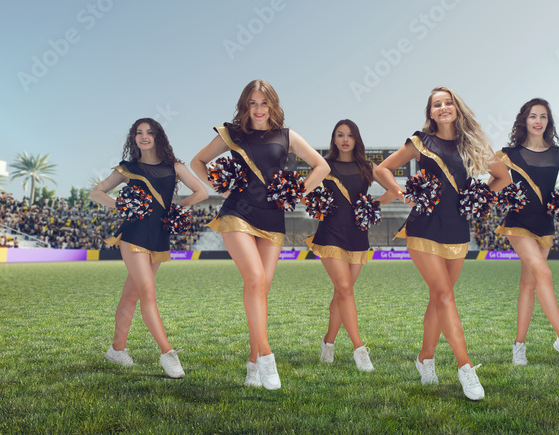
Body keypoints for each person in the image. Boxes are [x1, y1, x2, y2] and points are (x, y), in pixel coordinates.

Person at [190, 80, 329, 390]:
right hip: (238, 211)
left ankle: (252, 366)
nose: (258, 109)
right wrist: (217, 184)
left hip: (273, 218)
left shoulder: (287, 136)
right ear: (245, 106)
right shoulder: (233, 134)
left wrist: (298, 190)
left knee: (261, 290)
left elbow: (321, 165)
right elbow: (197, 162)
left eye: (263, 103)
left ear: (273, 106)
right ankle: (267, 357)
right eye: (252, 103)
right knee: (254, 279)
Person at [375, 86, 509, 401]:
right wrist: (401, 192)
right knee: (445, 295)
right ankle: (466, 368)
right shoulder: (420, 142)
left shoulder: (472, 142)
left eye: (448, 102)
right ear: (430, 112)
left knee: (439, 298)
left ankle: (425, 358)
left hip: (457, 229)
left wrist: (481, 200)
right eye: (437, 104)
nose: (444, 107)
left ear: (457, 108)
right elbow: (382, 169)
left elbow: (502, 177)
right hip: (423, 226)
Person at [90, 118, 208, 379]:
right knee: (148, 293)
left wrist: (177, 207)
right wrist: (123, 206)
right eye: (139, 133)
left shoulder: (174, 167)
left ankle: (117, 350)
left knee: (131, 294)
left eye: (149, 133)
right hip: (134, 235)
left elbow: (201, 192)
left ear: (158, 137)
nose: (144, 137)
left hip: (159, 236)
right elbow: (96, 193)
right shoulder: (127, 168)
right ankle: (167, 353)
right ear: (133, 138)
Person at [495, 98, 559, 368]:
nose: (538, 121)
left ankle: (519, 347)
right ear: (524, 120)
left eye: (543, 117)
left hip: (545, 226)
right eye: (533, 116)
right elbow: (493, 184)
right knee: (544, 273)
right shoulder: (506, 154)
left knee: (529, 284)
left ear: (548, 122)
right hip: (517, 223)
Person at [306, 120, 397, 372]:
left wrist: (373, 205)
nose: (345, 139)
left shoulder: (368, 167)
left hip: (358, 235)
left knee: (341, 293)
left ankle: (328, 343)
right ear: (333, 139)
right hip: (330, 233)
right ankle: (359, 349)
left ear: (357, 139)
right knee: (345, 289)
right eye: (340, 135)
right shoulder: (324, 166)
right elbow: (305, 192)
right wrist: (317, 202)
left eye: (350, 135)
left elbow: (392, 190)